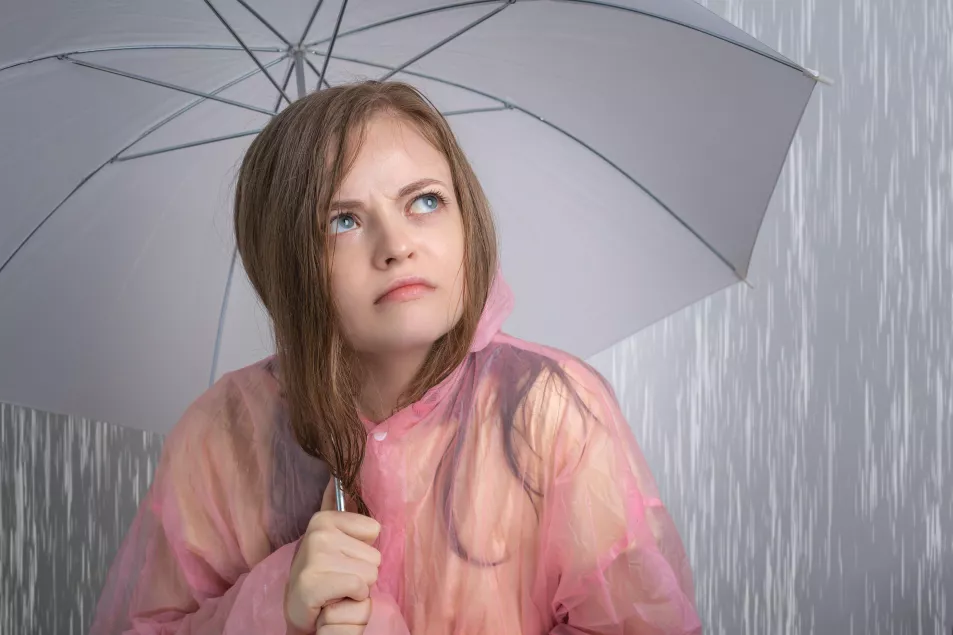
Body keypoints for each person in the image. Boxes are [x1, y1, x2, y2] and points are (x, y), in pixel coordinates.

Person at [88, 80, 703, 635]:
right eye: (344, 219)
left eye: (426, 201)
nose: (397, 245)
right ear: (285, 256)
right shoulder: (224, 434)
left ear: (468, 218)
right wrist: (275, 603)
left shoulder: (550, 413)